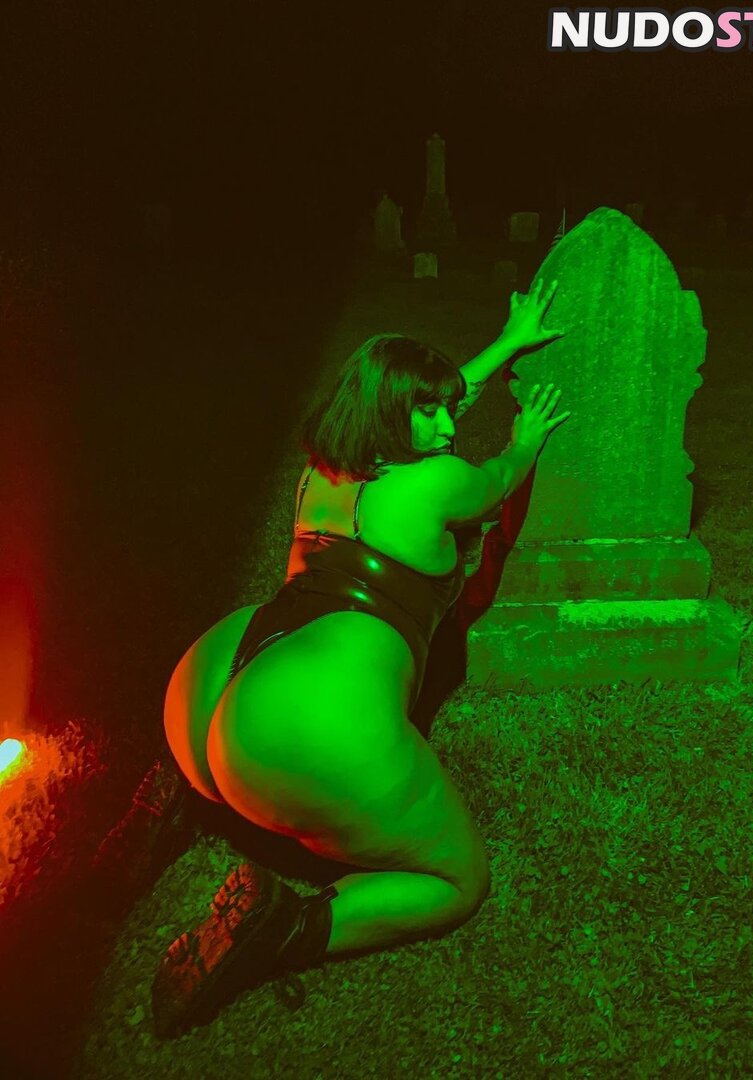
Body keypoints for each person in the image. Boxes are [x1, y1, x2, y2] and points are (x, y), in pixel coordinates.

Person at [151, 278, 570, 1037]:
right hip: (307, 722)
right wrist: (525, 438)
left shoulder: (323, 468)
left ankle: (181, 799)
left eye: (449, 406)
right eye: (430, 411)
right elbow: (499, 478)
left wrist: (509, 343)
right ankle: (283, 928)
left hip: (210, 686)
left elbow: (424, 406)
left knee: (236, 755)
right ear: (389, 415)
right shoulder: (438, 483)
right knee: (457, 880)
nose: (449, 424)